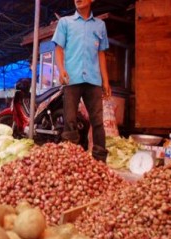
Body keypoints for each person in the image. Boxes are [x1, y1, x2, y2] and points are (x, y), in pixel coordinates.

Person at [52, 0, 112, 162]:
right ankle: (71, 159)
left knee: (97, 122)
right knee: (70, 120)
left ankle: (100, 160)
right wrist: (61, 69)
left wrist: (105, 80)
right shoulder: (65, 23)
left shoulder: (100, 25)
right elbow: (58, 49)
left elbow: (101, 54)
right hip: (72, 78)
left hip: (93, 80)